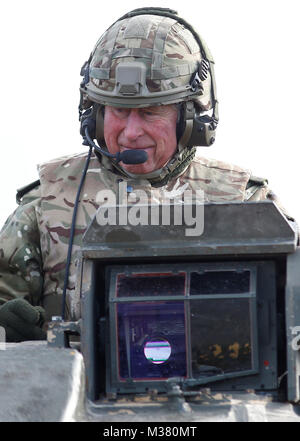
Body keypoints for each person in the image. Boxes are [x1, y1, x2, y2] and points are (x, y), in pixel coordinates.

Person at [0, 7, 293, 342]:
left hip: (218, 391)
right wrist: (15, 329)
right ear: (94, 115)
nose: (131, 132)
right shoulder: (46, 203)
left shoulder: (245, 204)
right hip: (78, 391)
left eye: (150, 112)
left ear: (190, 119)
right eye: (119, 111)